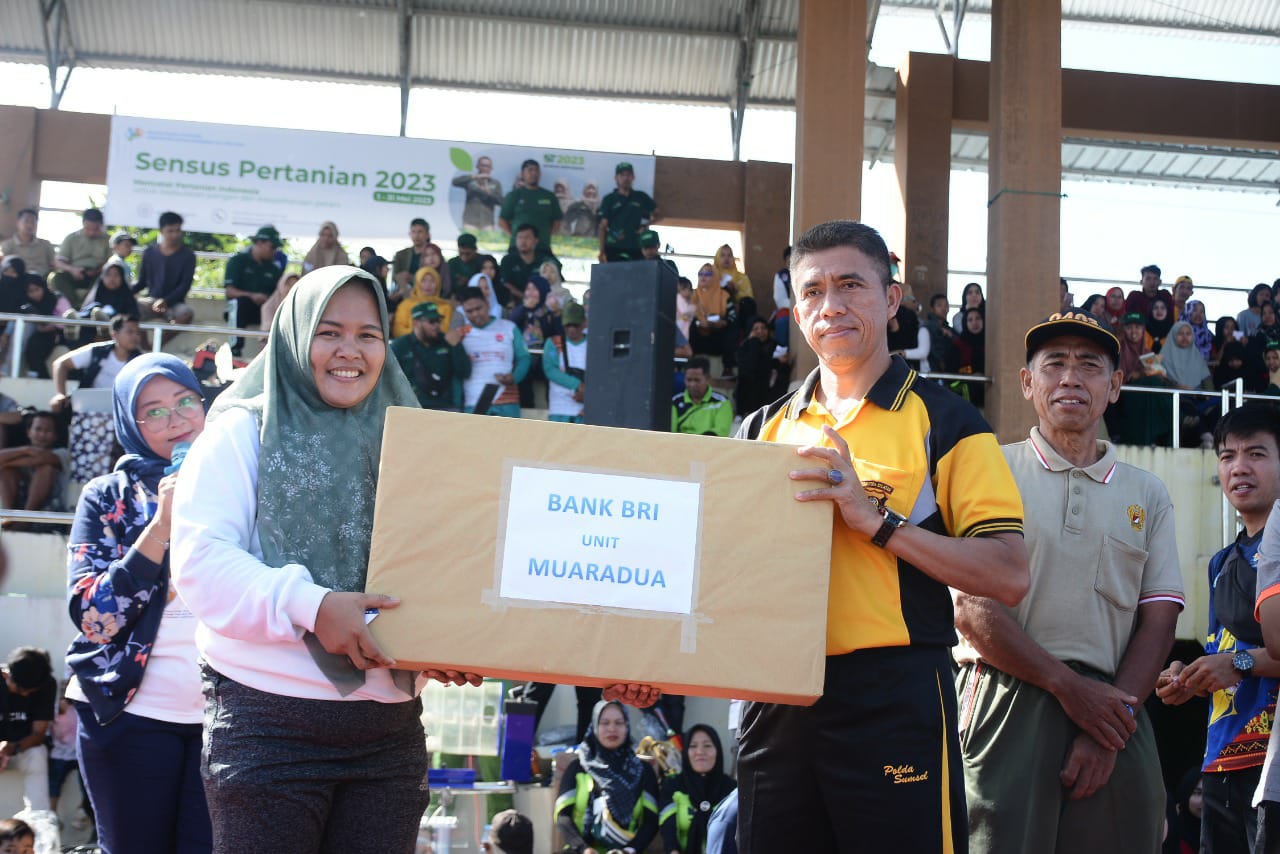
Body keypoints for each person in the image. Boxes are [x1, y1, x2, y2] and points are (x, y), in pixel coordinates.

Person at [734, 219, 1029, 853]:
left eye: (850, 285)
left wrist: (877, 522)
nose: (830, 306)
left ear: (891, 299)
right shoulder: (760, 429)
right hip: (775, 696)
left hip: (893, 696)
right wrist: (645, 666)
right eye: (812, 291)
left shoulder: (948, 421)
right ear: (796, 310)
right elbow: (718, 576)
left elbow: (1008, 573)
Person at [171, 266, 482, 852]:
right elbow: (201, 562)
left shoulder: (412, 437)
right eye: (329, 332)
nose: (350, 351)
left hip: (389, 737)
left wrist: (444, 640)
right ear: (294, 336)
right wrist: (311, 606)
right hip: (268, 731)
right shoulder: (244, 430)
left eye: (369, 335)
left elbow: (445, 562)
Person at [954, 309, 1182, 854]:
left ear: (1115, 385)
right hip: (1005, 691)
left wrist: (1110, 727)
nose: (1071, 378)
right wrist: (1067, 687)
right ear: (1027, 382)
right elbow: (971, 607)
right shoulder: (990, 468)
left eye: (1090, 366)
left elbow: (1159, 620)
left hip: (1115, 704)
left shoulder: (1147, 493)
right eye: (1054, 363)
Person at [65, 353, 212, 853]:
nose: (175, 420)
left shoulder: (245, 483)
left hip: (227, 718)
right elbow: (93, 619)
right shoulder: (107, 497)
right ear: (130, 423)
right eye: (153, 411)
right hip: (127, 713)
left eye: (185, 401)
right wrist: (160, 527)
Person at [1156, 403, 1280, 854]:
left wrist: (1239, 663)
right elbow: (1226, 652)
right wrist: (1189, 675)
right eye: (1227, 456)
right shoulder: (1221, 562)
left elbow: (1241, 659)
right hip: (1220, 761)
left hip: (1273, 764)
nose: (1239, 467)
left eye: (1256, 454)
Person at [554, 700, 659, 854]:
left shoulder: (642, 770)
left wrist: (630, 850)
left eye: (618, 723)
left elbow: (651, 821)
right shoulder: (577, 767)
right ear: (595, 727)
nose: (612, 729)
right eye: (605, 723)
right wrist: (584, 848)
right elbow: (563, 817)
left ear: (627, 727)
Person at [659, 724, 736, 854]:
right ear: (685, 752)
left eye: (707, 746)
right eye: (693, 746)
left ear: (717, 750)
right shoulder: (672, 786)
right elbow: (668, 830)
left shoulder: (732, 790)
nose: (700, 752)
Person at [457, 286, 529, 417]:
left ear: (487, 304)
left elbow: (524, 358)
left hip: (507, 401)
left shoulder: (509, 328)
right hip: (474, 402)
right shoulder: (460, 334)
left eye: (478, 308)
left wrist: (514, 377)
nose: (475, 314)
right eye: (469, 311)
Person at [0, 647, 56, 813]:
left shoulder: (46, 685)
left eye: (30, 691)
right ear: (6, 675)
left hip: (21, 749)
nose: (25, 695)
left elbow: (38, 735)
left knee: (37, 754)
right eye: (20, 690)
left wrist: (12, 747)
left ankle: (39, 819)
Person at [50, 312, 143, 411]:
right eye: (130, 332)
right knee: (57, 406)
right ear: (115, 334)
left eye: (137, 332)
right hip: (89, 408)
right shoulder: (96, 351)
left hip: (123, 410)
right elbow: (60, 364)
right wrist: (60, 394)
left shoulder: (141, 360)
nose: (135, 336)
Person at [391, 301, 469, 410]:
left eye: (438, 321)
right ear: (416, 323)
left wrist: (457, 347)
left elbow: (464, 373)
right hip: (411, 406)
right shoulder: (401, 345)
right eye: (432, 321)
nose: (437, 326)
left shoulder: (447, 341)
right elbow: (389, 377)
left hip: (444, 406)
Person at [223, 226, 284, 355]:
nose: (275, 251)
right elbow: (230, 292)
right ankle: (235, 349)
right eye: (272, 247)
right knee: (238, 303)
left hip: (265, 310)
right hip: (241, 309)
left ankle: (271, 352)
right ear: (260, 243)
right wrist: (252, 295)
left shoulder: (274, 269)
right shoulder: (237, 261)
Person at [133, 211, 196, 325]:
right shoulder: (149, 253)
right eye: (170, 231)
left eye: (178, 230)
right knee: (131, 308)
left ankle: (164, 337)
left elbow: (184, 286)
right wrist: (125, 294)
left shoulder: (188, 255)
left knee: (186, 313)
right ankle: (142, 338)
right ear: (161, 231)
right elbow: (142, 282)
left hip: (175, 303)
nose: (175, 235)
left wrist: (166, 301)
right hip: (151, 300)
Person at [0, 412, 67, 513]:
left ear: (55, 435)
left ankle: (27, 516)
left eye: (48, 430)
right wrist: (25, 450)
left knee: (46, 468)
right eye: (38, 429)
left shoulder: (63, 453)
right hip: (17, 506)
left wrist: (5, 463)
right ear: (28, 432)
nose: (42, 435)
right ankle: (8, 515)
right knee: (7, 471)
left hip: (51, 511)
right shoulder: (22, 452)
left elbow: (40, 458)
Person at [499, 159, 561, 256]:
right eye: (530, 170)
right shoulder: (514, 195)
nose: (533, 173)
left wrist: (544, 236)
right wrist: (518, 237)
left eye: (536, 170)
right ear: (522, 174)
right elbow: (502, 221)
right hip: (517, 249)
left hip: (542, 247)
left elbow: (557, 221)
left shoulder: (549, 196)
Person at [598, 162, 657, 263]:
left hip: (636, 246)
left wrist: (645, 225)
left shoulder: (641, 196)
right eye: (622, 175)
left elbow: (658, 214)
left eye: (628, 175)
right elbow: (603, 226)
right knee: (613, 272)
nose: (625, 178)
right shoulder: (609, 199)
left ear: (633, 177)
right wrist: (601, 251)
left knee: (636, 272)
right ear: (616, 178)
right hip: (613, 246)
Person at [50, 208, 110, 308]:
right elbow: (59, 262)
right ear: (83, 223)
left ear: (101, 226)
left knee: (104, 279)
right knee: (57, 278)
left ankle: (88, 306)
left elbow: (111, 262)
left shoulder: (107, 240)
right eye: (88, 229)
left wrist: (98, 270)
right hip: (74, 273)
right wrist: (72, 269)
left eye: (95, 230)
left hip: (97, 274)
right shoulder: (71, 238)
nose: (91, 233)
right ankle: (75, 306)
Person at [18, 277, 72, 378]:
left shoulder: (57, 298)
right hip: (40, 336)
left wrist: (53, 325)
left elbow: (68, 318)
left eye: (37, 289)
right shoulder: (28, 304)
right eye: (30, 291)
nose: (35, 294)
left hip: (61, 335)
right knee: (34, 346)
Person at [689, 264, 737, 376]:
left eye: (707, 274)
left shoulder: (724, 296)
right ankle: (690, 362)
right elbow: (686, 315)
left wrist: (723, 322)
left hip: (718, 337)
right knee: (691, 324)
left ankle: (728, 368)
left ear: (715, 277)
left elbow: (733, 317)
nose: (703, 276)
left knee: (732, 327)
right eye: (701, 273)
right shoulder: (693, 295)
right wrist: (699, 322)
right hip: (699, 336)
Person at [544, 302, 587, 423]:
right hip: (559, 409)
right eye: (568, 325)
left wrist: (589, 395)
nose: (571, 329)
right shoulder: (553, 342)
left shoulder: (594, 343)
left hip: (585, 411)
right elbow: (550, 370)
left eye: (575, 325)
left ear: (584, 323)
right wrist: (578, 385)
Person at [671, 357, 731, 437]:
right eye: (689, 380)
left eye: (697, 380)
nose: (692, 384)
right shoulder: (675, 401)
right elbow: (670, 432)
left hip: (709, 444)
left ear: (708, 379)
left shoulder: (722, 402)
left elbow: (721, 431)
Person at [78, 256, 140, 333]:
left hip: (116, 332)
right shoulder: (97, 293)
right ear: (102, 277)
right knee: (94, 307)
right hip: (91, 333)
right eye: (108, 275)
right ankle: (76, 320)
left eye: (116, 275)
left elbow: (133, 316)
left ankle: (104, 320)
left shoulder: (127, 296)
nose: (112, 278)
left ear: (122, 278)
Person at [391, 218, 447, 303]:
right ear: (410, 234)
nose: (416, 235)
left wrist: (413, 278)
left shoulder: (434, 253)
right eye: (413, 232)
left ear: (427, 235)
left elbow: (439, 277)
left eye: (420, 232)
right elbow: (395, 277)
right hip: (404, 296)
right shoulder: (401, 255)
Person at [734, 317, 776, 417]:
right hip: (749, 383)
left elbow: (767, 365)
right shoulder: (745, 346)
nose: (760, 331)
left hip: (766, 384)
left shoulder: (773, 345)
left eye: (763, 328)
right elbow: (751, 365)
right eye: (756, 329)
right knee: (746, 377)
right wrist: (754, 342)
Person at [500, 225, 553, 304]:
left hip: (541, 301)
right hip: (513, 302)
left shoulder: (544, 261)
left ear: (536, 240)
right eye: (520, 237)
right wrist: (525, 297)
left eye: (527, 237)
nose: (523, 241)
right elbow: (505, 283)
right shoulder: (507, 260)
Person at [452, 155, 504, 232]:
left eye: (488, 166)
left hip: (487, 223)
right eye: (483, 165)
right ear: (477, 166)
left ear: (491, 168)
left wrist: (488, 193)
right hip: (470, 221)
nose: (485, 168)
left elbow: (501, 201)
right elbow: (455, 182)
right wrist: (475, 177)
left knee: (488, 240)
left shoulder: (495, 183)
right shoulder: (470, 181)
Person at [392, 266, 446, 339]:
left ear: (438, 284)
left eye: (432, 281)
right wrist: (420, 334)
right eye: (423, 281)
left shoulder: (446, 307)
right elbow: (398, 330)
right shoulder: (405, 305)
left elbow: (445, 331)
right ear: (417, 283)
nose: (428, 285)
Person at [0, 208, 55, 277]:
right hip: (16, 280)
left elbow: (54, 265)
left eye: (33, 222)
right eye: (26, 221)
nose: (30, 225)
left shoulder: (46, 245)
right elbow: (3, 267)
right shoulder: (6, 245)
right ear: (18, 223)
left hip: (40, 280)